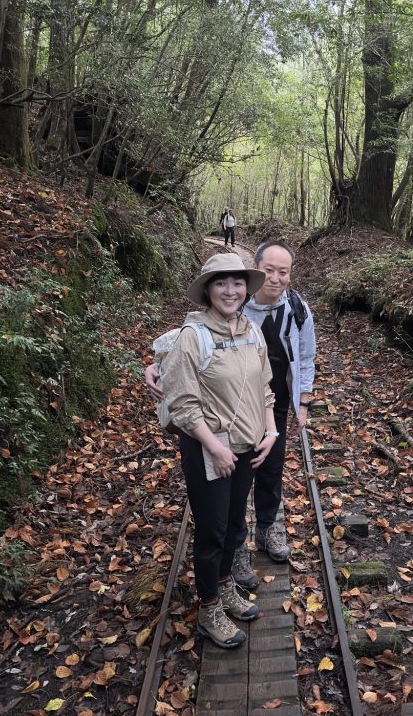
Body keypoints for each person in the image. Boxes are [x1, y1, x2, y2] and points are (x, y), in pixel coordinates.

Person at [148, 241, 316, 588]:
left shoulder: (296, 309)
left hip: (270, 402)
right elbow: (190, 344)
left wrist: (303, 400)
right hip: (223, 416)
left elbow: (306, 354)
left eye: (283, 271)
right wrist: (157, 365)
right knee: (225, 504)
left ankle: (267, 530)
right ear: (257, 268)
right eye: (268, 269)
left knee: (270, 471)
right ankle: (232, 556)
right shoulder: (234, 306)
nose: (276, 277)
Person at [159, 253, 279, 648]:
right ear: (208, 290)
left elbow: (265, 386)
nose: (231, 291)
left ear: (247, 289)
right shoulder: (193, 336)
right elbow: (182, 403)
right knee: (211, 531)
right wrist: (215, 448)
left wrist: (271, 431)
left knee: (232, 525)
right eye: (221, 283)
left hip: (247, 446)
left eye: (237, 283)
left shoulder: (252, 331)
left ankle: (226, 586)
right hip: (209, 448)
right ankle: (209, 607)